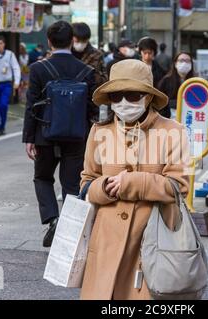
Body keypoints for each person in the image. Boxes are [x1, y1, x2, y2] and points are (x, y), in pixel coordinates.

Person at [79, 59, 190, 300]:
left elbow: (179, 186)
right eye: (116, 96)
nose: (123, 103)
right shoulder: (100, 131)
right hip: (106, 241)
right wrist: (104, 187)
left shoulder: (173, 131)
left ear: (148, 97)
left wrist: (131, 182)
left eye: (132, 95)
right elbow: (87, 182)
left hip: (152, 240)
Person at [22, 21, 97, 248]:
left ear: (49, 41)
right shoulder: (87, 71)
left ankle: (53, 219)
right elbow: (93, 109)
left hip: (45, 134)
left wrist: (29, 138)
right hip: (77, 136)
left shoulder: (38, 69)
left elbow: (31, 105)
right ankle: (69, 229)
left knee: (43, 177)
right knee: (72, 184)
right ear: (72, 40)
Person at [158, 52, 195, 119]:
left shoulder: (195, 82)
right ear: (175, 64)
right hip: (169, 120)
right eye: (181, 60)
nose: (184, 63)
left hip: (189, 119)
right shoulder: (166, 81)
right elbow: (160, 103)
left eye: (187, 61)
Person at [71, 22, 108, 87]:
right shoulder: (65, 53)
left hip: (89, 94)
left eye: (84, 41)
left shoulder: (97, 54)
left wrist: (92, 76)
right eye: (77, 41)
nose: (80, 44)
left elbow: (105, 79)